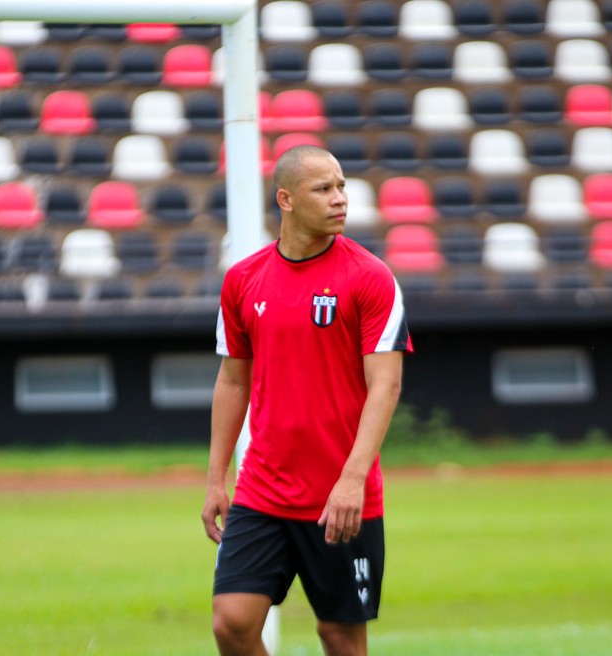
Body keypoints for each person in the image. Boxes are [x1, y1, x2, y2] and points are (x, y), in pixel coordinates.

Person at [202, 145, 413, 656]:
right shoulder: (243, 280)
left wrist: (352, 480)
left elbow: (386, 385)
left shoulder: (370, 277)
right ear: (287, 199)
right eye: (324, 189)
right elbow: (233, 381)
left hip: (340, 495)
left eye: (342, 186)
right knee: (231, 623)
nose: (340, 199)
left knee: (339, 637)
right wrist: (215, 479)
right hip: (263, 489)